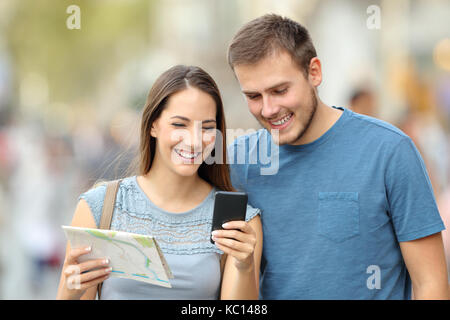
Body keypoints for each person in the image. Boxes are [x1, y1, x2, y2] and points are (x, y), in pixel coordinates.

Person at [226, 14, 449, 299]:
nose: (268, 109)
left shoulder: (390, 151)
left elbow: (431, 283)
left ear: (314, 72)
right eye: (254, 96)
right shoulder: (239, 163)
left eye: (280, 90)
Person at [56, 65, 263, 300]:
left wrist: (244, 266)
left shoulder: (240, 223)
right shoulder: (99, 207)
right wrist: (71, 290)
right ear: (153, 124)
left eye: (206, 127)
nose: (195, 141)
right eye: (179, 124)